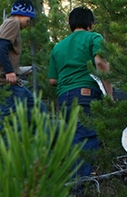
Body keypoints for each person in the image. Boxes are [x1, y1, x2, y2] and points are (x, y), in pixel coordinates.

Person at [48, 6, 113, 178]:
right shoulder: (94, 37)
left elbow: (52, 80)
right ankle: (81, 189)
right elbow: (100, 64)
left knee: (72, 139)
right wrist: (110, 94)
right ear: (90, 24)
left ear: (71, 25)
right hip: (85, 94)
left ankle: (70, 184)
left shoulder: (58, 47)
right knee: (86, 139)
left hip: (63, 97)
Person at [0, 0, 47, 119]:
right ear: (23, 13)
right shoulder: (14, 23)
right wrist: (8, 71)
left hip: (10, 82)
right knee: (12, 119)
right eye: (29, 19)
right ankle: (9, 137)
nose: (29, 23)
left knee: (37, 108)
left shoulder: (5, 25)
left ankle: (34, 137)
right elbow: (0, 46)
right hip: (6, 82)